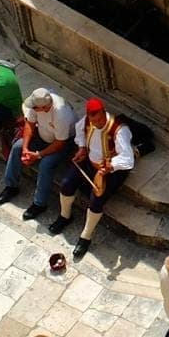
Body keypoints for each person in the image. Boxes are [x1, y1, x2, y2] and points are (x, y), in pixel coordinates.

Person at [48, 97, 131, 259]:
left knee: (96, 201)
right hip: (88, 162)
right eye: (94, 120)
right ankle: (65, 216)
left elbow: (128, 158)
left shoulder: (119, 129)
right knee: (66, 184)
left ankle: (86, 236)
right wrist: (82, 148)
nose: (98, 123)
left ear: (103, 112)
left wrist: (110, 166)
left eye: (100, 119)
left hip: (110, 170)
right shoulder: (86, 121)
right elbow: (80, 134)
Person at [0, 87, 75, 219]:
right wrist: (26, 148)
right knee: (17, 147)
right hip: (43, 135)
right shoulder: (36, 105)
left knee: (46, 164)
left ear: (44, 107)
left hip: (63, 143)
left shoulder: (61, 115)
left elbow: (60, 143)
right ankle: (11, 186)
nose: (32, 109)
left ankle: (39, 203)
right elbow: (29, 125)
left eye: (35, 108)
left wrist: (38, 155)